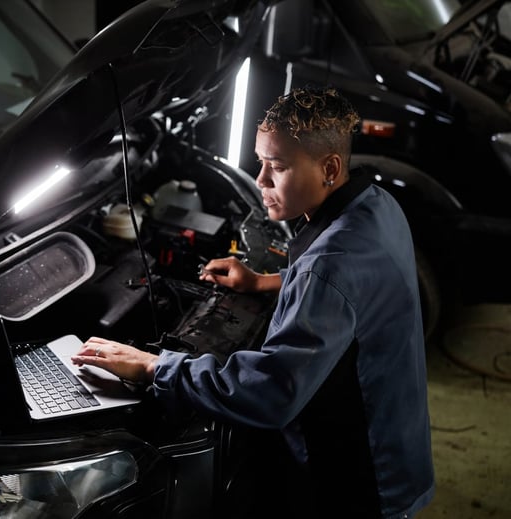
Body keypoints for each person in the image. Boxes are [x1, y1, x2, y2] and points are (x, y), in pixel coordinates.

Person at [71, 86, 434, 517]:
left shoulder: (328, 267)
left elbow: (271, 393)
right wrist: (266, 281)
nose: (260, 180)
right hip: (400, 444)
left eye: (276, 167)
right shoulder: (378, 206)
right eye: (261, 162)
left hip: (361, 480)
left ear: (330, 168)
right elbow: (355, 287)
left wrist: (154, 367)